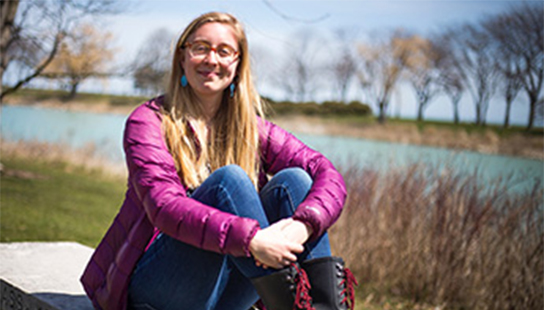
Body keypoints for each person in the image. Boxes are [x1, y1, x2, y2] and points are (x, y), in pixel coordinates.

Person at [80, 11, 357, 310]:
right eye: (200, 47)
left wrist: (305, 224)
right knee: (229, 181)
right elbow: (164, 206)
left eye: (224, 51)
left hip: (225, 292)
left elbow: (326, 173)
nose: (212, 59)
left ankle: (324, 306)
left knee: (297, 181)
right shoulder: (148, 122)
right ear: (182, 58)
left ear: (237, 65)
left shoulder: (251, 129)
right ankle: (294, 306)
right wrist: (252, 241)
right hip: (156, 288)